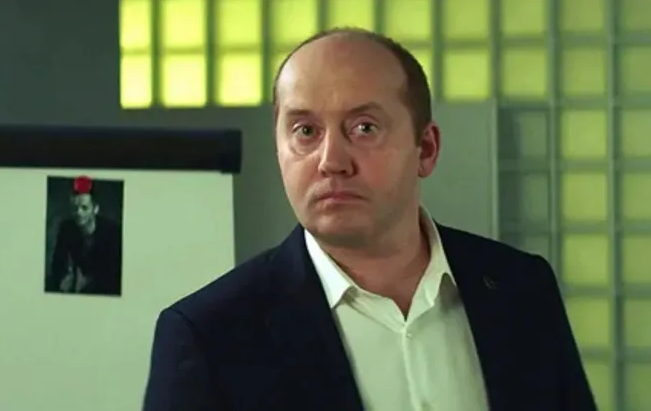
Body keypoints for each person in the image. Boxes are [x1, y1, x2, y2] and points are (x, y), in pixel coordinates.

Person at [142, 28, 597, 411]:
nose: (331, 161)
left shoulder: (521, 288)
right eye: (305, 131)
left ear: (426, 149)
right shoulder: (209, 335)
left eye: (364, 127)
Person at [46, 175, 122, 296]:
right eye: (74, 208)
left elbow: (114, 275)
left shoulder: (113, 232)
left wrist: (84, 282)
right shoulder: (66, 228)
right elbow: (57, 265)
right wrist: (64, 279)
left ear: (95, 209)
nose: (79, 213)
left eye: (84, 208)